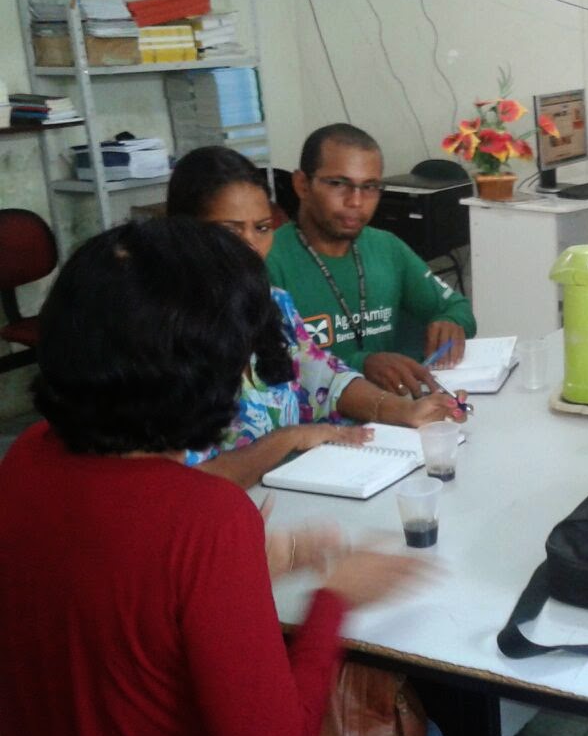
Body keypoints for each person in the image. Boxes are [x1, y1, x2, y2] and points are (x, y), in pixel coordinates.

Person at [0, 219, 424, 736]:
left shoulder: (26, 455)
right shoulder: (206, 518)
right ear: (213, 373)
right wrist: (333, 601)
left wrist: (243, 571)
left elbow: (116, 606)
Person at [168, 146, 465, 488]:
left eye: (262, 228)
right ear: (183, 231)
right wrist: (289, 439)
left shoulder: (272, 304)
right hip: (221, 511)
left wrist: (404, 411)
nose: (249, 245)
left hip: (293, 492)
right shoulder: (160, 332)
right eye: (231, 230)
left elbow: (322, 377)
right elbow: (180, 481)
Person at [267, 123, 477, 395]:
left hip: (396, 408)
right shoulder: (270, 259)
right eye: (338, 184)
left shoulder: (386, 247)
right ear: (302, 185)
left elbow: (459, 308)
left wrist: (451, 323)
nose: (356, 201)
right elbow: (271, 367)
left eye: (370, 187)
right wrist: (361, 364)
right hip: (317, 415)